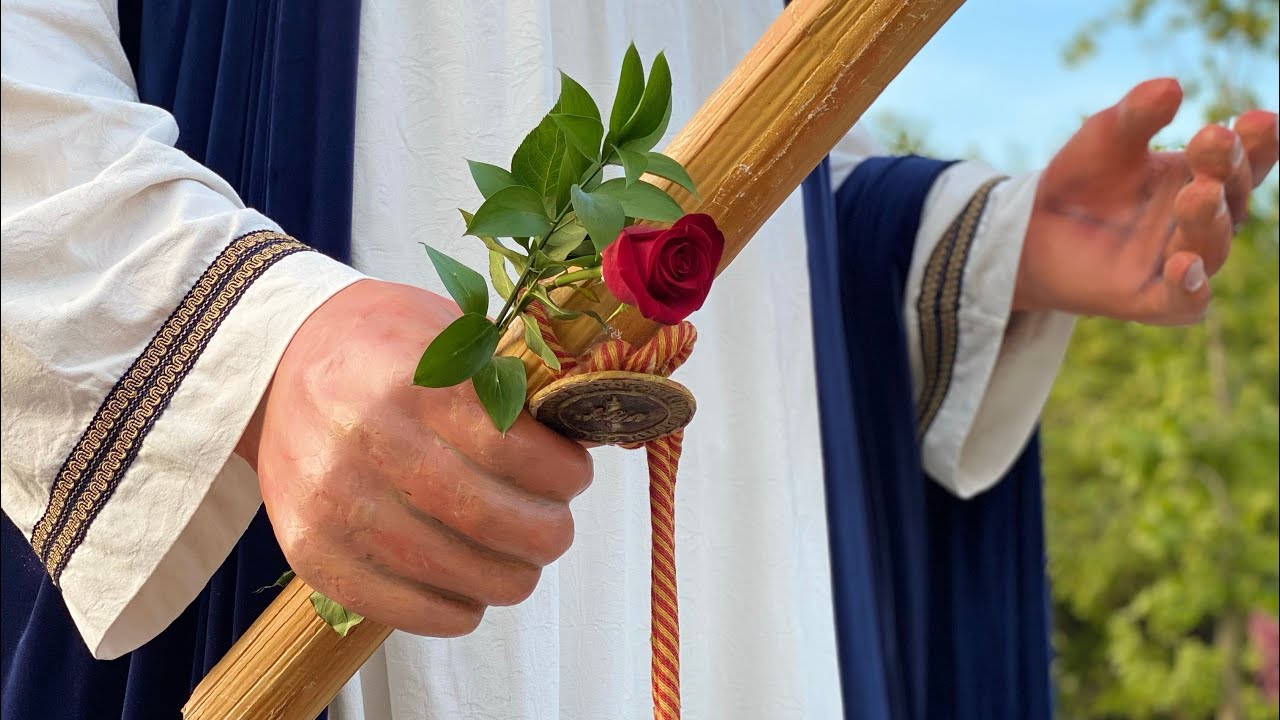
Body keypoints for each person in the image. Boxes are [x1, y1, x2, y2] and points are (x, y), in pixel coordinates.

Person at [1, 0, 1275, 719]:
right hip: (336, 446)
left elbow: (768, 200)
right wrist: (255, 343)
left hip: (749, 553)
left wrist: (972, 257)